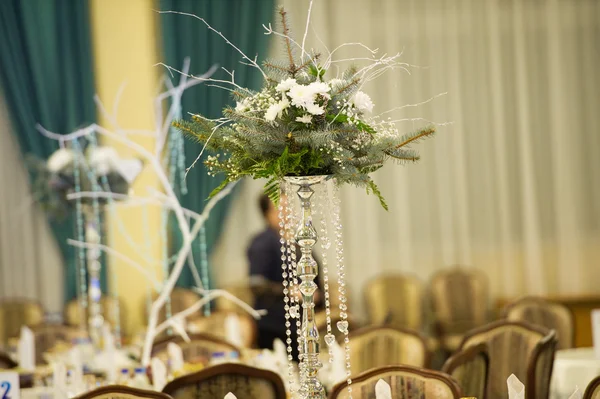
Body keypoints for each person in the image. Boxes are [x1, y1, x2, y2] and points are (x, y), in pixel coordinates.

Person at [247, 194, 321, 360]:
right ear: (267, 213)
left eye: (289, 207)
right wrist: (290, 291)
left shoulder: (297, 240)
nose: (288, 213)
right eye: (281, 209)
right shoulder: (262, 243)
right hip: (276, 324)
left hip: (302, 321)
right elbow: (256, 284)